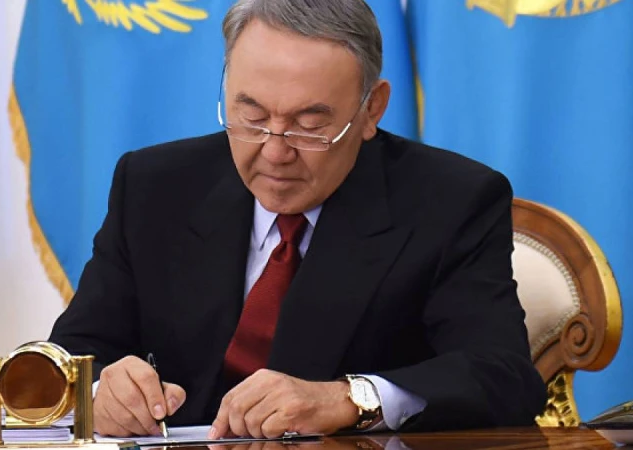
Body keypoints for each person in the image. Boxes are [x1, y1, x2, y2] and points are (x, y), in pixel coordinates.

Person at [48, 0, 546, 439]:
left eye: (309, 126)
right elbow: (71, 356)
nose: (275, 152)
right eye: (252, 117)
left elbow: (502, 377)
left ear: (371, 110)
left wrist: (350, 400)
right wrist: (100, 391)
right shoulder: (155, 185)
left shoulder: (451, 201)